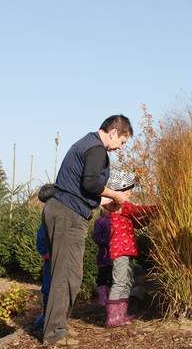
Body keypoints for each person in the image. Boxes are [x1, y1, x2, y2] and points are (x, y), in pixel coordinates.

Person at [41, 115, 133, 346]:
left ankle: (57, 328)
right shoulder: (97, 149)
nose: (121, 147)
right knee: (67, 276)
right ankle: (54, 335)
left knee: (66, 274)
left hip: (62, 209)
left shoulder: (85, 143)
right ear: (113, 132)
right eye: (122, 141)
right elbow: (91, 184)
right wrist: (116, 195)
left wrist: (104, 203)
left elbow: (79, 188)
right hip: (68, 215)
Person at [105, 172, 158, 328]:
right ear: (122, 191)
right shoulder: (121, 205)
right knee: (120, 282)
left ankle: (121, 314)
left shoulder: (125, 211)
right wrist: (157, 208)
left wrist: (152, 217)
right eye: (129, 190)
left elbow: (137, 223)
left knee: (126, 282)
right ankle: (113, 317)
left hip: (126, 251)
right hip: (120, 251)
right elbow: (138, 210)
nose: (131, 193)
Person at [92, 209, 113, 306]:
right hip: (105, 255)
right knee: (102, 277)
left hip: (116, 255)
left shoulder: (117, 220)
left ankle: (110, 298)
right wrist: (108, 242)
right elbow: (96, 237)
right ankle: (103, 300)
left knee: (114, 278)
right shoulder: (100, 221)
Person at [35, 224, 50, 328]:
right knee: (48, 287)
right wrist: (46, 253)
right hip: (51, 259)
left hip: (66, 259)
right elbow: (41, 239)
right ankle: (46, 315)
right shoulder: (48, 219)